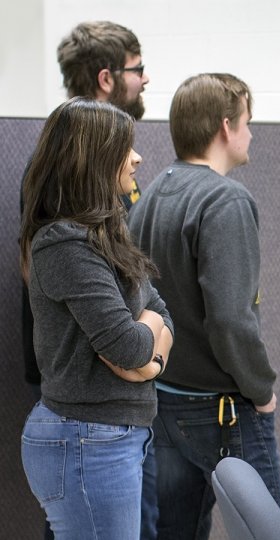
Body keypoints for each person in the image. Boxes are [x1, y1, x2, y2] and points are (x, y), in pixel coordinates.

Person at [128, 73, 280, 539]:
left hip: (164, 402)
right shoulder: (226, 199)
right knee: (269, 532)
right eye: (247, 122)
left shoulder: (151, 193)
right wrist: (262, 390)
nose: (251, 133)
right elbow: (232, 320)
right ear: (225, 127)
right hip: (224, 412)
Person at [19, 97, 174, 539]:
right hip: (86, 439)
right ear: (93, 159)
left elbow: (162, 315)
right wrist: (142, 347)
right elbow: (127, 346)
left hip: (106, 437)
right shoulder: (65, 243)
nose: (138, 158)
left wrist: (150, 364)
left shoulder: (105, 235)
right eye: (126, 148)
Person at [23, 20, 151, 395]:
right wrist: (141, 348)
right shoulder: (66, 166)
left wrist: (151, 331)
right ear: (106, 78)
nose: (145, 79)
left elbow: (142, 286)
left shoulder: (110, 166)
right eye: (137, 68)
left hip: (120, 372)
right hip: (84, 383)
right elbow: (73, 271)